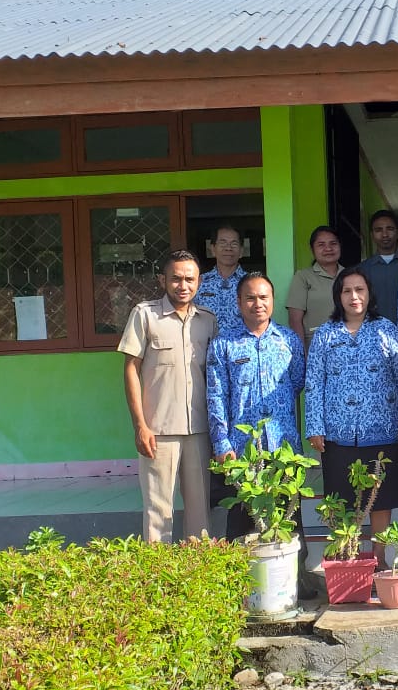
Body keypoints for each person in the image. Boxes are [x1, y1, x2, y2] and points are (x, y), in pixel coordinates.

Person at [305, 266, 398, 569]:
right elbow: (314, 383)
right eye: (347, 290)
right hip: (338, 432)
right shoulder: (325, 334)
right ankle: (349, 559)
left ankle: (379, 561)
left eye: (359, 290)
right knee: (342, 499)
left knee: (381, 498)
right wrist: (315, 426)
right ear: (338, 296)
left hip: (383, 429)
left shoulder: (387, 330)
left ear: (369, 294)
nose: (354, 296)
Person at [118, 249, 217, 543]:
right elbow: (130, 370)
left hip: (199, 430)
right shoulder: (144, 315)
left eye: (189, 279)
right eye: (176, 279)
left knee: (200, 514)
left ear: (199, 282)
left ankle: (199, 578)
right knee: (158, 513)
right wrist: (140, 425)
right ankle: (157, 578)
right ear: (163, 280)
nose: (182, 285)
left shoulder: (208, 321)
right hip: (157, 431)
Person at [207, 273, 306, 541]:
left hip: (283, 448)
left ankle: (295, 582)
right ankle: (242, 583)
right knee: (242, 524)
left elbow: (297, 383)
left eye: (264, 297)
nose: (257, 303)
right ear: (239, 302)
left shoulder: (289, 340)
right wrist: (222, 445)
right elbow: (216, 396)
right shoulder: (223, 345)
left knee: (288, 522)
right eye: (250, 298)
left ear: (273, 300)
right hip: (242, 451)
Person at [286, 225, 343, 346]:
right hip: (315, 345)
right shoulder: (303, 277)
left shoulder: (350, 275)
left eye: (333, 243)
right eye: (321, 245)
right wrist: (302, 354)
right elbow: (295, 320)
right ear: (312, 250)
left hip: (347, 344)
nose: (328, 248)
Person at [360, 210, 398, 324]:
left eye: (390, 229)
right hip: (374, 334)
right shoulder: (362, 270)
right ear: (372, 235)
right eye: (378, 230)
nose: (384, 234)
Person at [196, 222, 247, 334]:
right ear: (213, 249)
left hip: (241, 347)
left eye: (234, 244)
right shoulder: (199, 282)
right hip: (206, 349)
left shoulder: (251, 283)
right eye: (223, 243)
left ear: (241, 251)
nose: (228, 248)